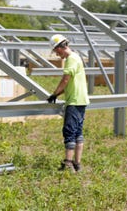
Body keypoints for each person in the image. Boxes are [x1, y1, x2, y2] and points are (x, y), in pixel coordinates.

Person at [47, 34, 90, 172]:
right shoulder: (76, 57)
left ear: (61, 47)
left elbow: (66, 79)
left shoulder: (71, 59)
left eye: (56, 50)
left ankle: (68, 164)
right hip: (81, 100)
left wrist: (55, 94)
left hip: (74, 100)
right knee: (78, 132)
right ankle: (77, 164)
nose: (56, 53)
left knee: (69, 131)